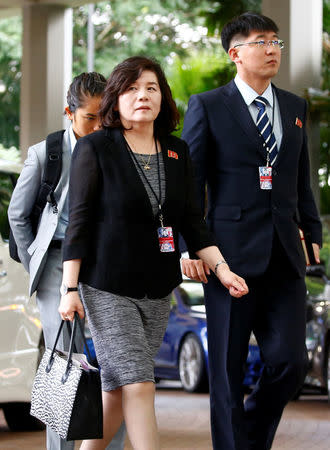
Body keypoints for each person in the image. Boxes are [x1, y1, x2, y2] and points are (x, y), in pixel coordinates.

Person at [58, 56, 248, 450]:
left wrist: (223, 269)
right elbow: (79, 222)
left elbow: (194, 222)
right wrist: (69, 289)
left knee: (116, 390)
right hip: (107, 286)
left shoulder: (177, 152)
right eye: (131, 88)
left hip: (159, 289)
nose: (142, 95)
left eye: (151, 87)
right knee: (140, 383)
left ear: (162, 96)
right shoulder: (96, 148)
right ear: (116, 98)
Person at [181, 11, 323, 450]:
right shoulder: (207, 105)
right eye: (260, 41)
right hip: (228, 259)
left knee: (291, 364)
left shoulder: (295, 107)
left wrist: (312, 232)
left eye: (276, 41)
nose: (271, 48)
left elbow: (303, 180)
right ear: (235, 53)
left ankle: (250, 438)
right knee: (226, 367)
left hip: (285, 253)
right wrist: (191, 249)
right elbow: (191, 187)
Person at [8, 72, 126, 450]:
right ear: (68, 112)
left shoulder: (116, 149)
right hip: (57, 264)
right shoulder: (47, 153)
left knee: (115, 363)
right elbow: (18, 215)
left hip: (104, 264)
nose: (97, 126)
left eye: (103, 117)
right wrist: (36, 267)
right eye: (89, 117)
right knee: (63, 359)